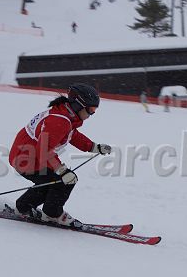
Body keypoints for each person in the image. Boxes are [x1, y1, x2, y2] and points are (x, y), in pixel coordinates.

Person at [8, 83, 111, 227]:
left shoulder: (66, 116)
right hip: (27, 159)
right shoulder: (59, 120)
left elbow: (72, 135)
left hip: (27, 156)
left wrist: (94, 147)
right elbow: (44, 150)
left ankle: (23, 207)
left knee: (51, 182)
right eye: (91, 109)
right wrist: (61, 170)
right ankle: (52, 214)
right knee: (64, 180)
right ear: (78, 105)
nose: (92, 114)